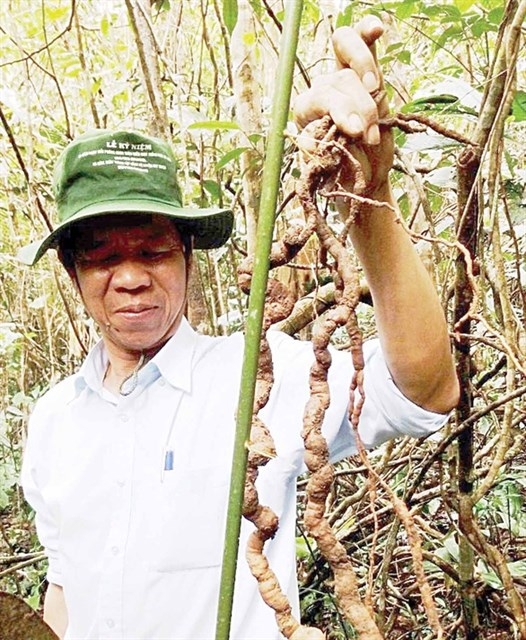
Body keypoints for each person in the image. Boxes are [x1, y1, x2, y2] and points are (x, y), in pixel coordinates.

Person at [20, 16, 459, 640]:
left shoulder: (254, 375)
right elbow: (66, 586)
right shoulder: (52, 420)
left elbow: (425, 393)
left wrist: (367, 196)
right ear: (72, 271)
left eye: (153, 249)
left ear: (188, 257)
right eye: (103, 256)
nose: (132, 276)